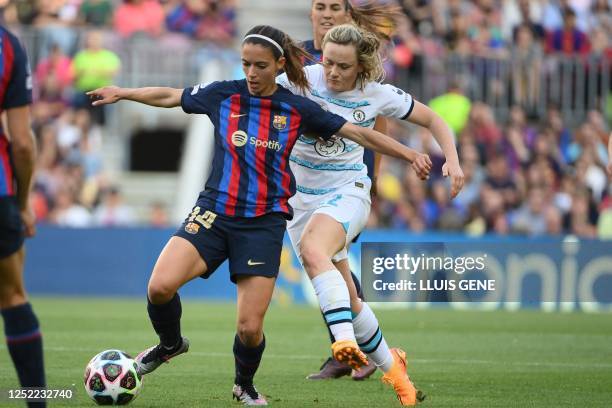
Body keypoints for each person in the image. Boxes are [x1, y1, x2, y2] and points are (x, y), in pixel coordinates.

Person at [88, 24, 430, 406]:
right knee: (159, 287)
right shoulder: (223, 95)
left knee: (250, 329)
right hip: (214, 211)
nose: (250, 73)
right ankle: (170, 344)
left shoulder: (297, 108)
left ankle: (244, 386)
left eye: (260, 66)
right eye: (246, 64)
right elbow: (171, 95)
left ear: (279, 65)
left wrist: (410, 154)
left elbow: (360, 134)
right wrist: (123, 93)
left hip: (263, 223)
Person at [277, 23, 465, 405]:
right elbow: (253, 91)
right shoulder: (300, 80)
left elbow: (434, 120)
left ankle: (343, 342)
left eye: (343, 66)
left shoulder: (377, 94)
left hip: (348, 191)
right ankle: (398, 376)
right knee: (349, 294)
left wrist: (454, 162)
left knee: (315, 251)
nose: (332, 72)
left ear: (361, 67)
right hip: (299, 202)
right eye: (328, 62)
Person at [303, 0, 399, 381]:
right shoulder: (297, 61)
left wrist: (373, 180)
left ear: (348, 18)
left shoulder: (357, 62)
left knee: (324, 257)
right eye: (319, 6)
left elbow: (374, 124)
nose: (326, 14)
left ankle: (349, 348)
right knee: (327, 262)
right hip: (300, 184)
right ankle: (367, 351)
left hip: (344, 183)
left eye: (335, 8)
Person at [0, 25, 46, 407]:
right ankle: (36, 402)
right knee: (13, 296)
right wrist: (23, 199)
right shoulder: (8, 45)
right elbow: (22, 144)